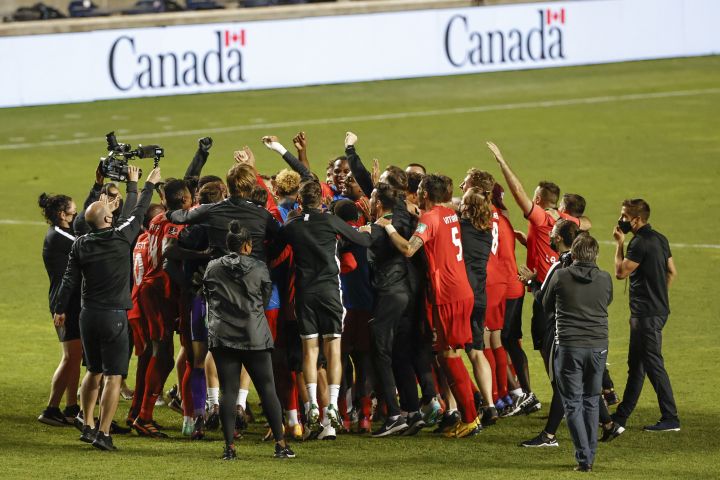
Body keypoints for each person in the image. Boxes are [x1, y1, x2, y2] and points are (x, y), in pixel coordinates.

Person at [52, 166, 160, 451]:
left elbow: (68, 279)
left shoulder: (80, 245)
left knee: (93, 370)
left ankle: (87, 424)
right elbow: (137, 213)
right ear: (109, 219)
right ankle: (104, 432)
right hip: (114, 316)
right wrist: (141, 184)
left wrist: (60, 308)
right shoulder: (120, 237)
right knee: (113, 376)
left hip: (87, 315)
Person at [377, 174, 479, 438]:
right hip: (460, 289)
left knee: (449, 356)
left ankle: (470, 418)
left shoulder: (429, 218)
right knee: (450, 354)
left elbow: (409, 249)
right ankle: (469, 414)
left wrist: (388, 227)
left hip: (447, 294)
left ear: (424, 194)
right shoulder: (448, 213)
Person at [278, 180, 372, 439]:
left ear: (299, 199)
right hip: (330, 292)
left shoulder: (291, 225)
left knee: (310, 351)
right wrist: (372, 227)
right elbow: (361, 240)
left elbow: (275, 247)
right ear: (321, 199)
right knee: (333, 351)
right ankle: (331, 405)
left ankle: (312, 408)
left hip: (305, 294)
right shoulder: (331, 222)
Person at [203, 221, 295, 460]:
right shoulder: (259, 267)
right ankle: (280, 444)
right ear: (247, 245)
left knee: (228, 391)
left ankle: (229, 448)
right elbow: (264, 299)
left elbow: (208, 296)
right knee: (267, 389)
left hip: (223, 336)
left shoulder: (212, 267)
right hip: (254, 335)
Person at [543, 233, 612, 472]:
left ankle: (584, 459)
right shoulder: (605, 278)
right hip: (598, 347)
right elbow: (606, 301)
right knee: (592, 399)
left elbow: (545, 303)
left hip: (570, 346)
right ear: (596, 255)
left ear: (573, 254)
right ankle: (589, 456)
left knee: (572, 403)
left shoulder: (561, 276)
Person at [611, 199, 680, 432]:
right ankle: (621, 416)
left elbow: (620, 272)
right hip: (657, 311)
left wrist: (619, 244)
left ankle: (670, 417)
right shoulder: (660, 238)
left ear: (636, 219)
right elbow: (672, 272)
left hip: (645, 316)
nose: (621, 219)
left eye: (624, 216)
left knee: (653, 364)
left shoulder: (638, 243)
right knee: (637, 365)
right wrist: (659, 295)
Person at [37, 192, 82, 426]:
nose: (76, 215)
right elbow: (84, 242)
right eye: (73, 212)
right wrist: (61, 308)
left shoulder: (64, 231)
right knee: (70, 357)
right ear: (62, 215)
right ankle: (51, 408)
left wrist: (98, 186)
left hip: (70, 302)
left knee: (75, 357)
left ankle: (71, 406)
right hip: (64, 304)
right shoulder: (59, 236)